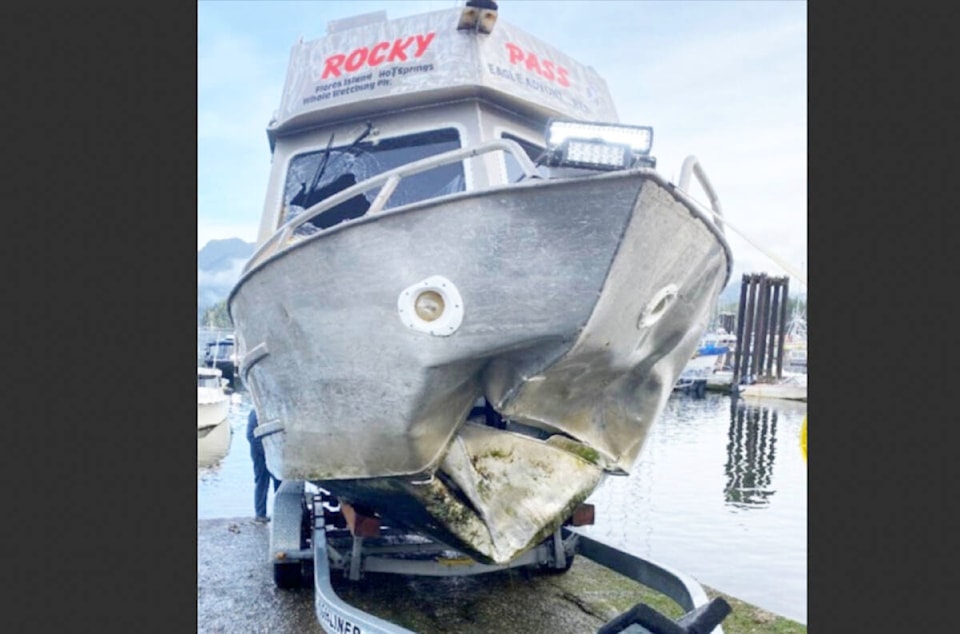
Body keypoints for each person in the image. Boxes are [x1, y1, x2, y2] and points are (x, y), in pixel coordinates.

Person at [247, 407, 281, 523]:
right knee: (262, 482)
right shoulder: (255, 413)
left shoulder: (276, 412)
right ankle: (260, 514)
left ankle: (279, 512)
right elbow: (251, 436)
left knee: (279, 482)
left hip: (276, 453)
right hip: (260, 455)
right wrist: (266, 452)